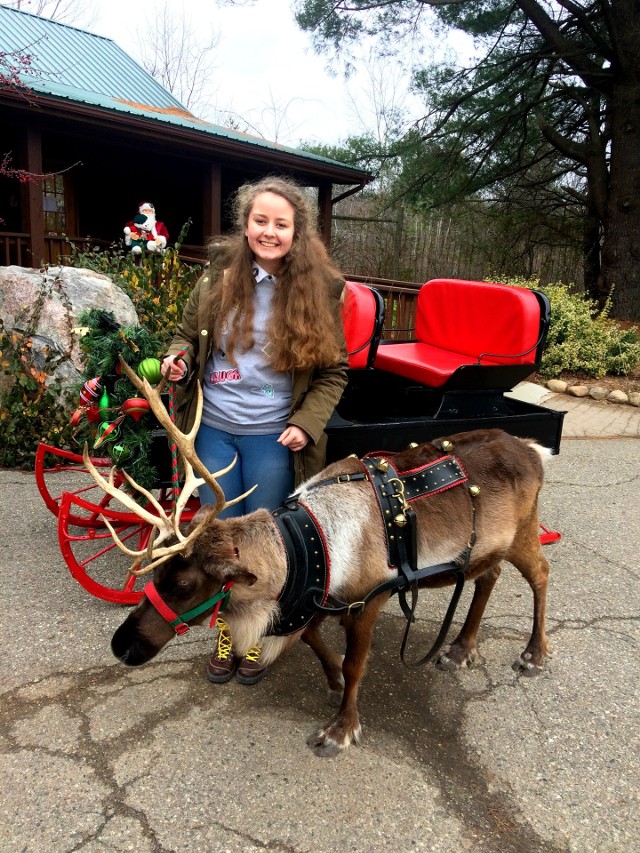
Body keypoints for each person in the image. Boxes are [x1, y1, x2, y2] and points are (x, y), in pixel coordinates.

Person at [161, 176, 349, 685]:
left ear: (296, 231)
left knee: (262, 551)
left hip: (274, 437)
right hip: (213, 433)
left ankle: (260, 637)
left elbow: (335, 371)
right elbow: (184, 336)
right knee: (217, 547)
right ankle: (227, 635)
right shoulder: (219, 275)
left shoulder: (321, 289)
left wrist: (305, 425)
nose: (269, 231)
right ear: (246, 224)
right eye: (259, 221)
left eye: (280, 224)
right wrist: (176, 360)